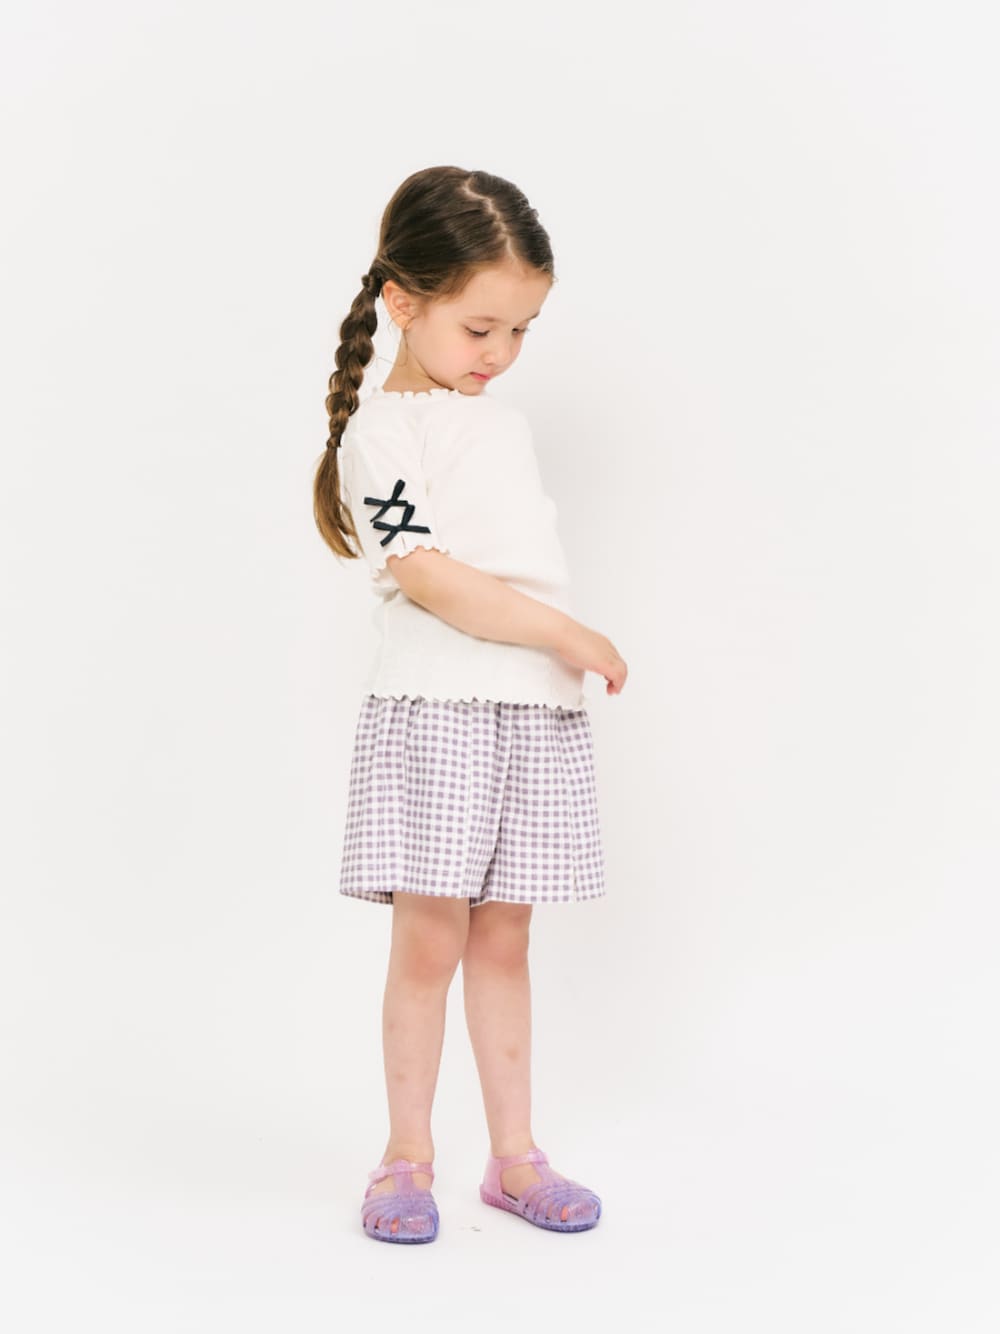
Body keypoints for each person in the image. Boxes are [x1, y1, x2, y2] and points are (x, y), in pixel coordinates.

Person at [313, 165, 628, 1244]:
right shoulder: (381, 433)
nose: (499, 352)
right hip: (440, 707)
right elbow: (434, 577)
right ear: (404, 301)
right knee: (428, 942)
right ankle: (405, 1155)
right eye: (480, 326)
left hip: (530, 712)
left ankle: (515, 1156)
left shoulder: (500, 424)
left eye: (521, 330)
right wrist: (568, 633)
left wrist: (552, 658)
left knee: (506, 941)